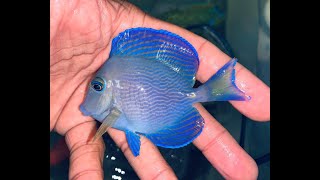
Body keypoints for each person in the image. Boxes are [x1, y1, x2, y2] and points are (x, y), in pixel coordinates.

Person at [50, 0, 270, 179]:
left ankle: (219, 88)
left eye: (97, 87)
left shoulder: (113, 100)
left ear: (107, 88)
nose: (92, 90)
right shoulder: (112, 82)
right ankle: (218, 89)